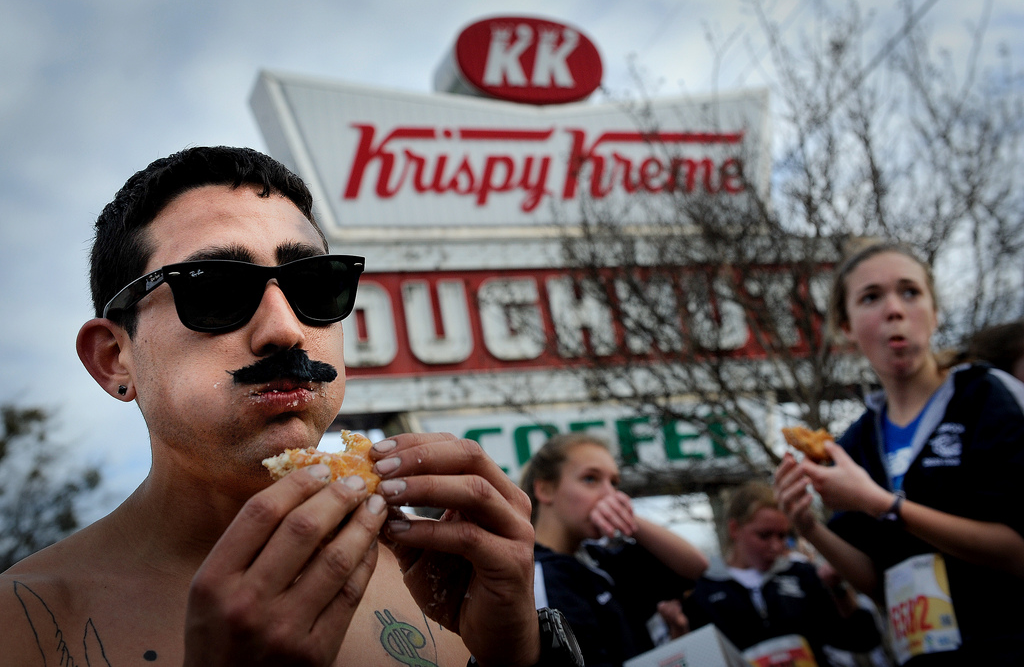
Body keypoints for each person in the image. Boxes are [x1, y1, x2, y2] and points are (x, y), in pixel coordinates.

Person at [0, 146, 560, 666]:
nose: (285, 330)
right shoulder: (26, 622)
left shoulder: (435, 581)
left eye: (316, 284)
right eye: (214, 287)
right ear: (114, 359)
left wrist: (521, 655)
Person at [775, 241, 1024, 665]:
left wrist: (884, 506)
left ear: (934, 311)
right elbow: (877, 581)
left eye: (910, 292)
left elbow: (1017, 551)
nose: (894, 310)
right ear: (846, 326)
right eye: (871, 297)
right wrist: (808, 526)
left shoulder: (985, 397)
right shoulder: (854, 444)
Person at [519, 432, 709, 667]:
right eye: (590, 479)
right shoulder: (536, 575)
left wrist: (631, 522)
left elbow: (694, 566)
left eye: (614, 483)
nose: (611, 495)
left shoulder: (601, 559)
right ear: (545, 490)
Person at [681, 481, 883, 666]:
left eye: (782, 535)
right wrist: (678, 630)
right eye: (764, 535)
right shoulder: (703, 590)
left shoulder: (802, 574)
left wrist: (838, 588)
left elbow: (864, 639)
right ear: (734, 529)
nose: (776, 546)